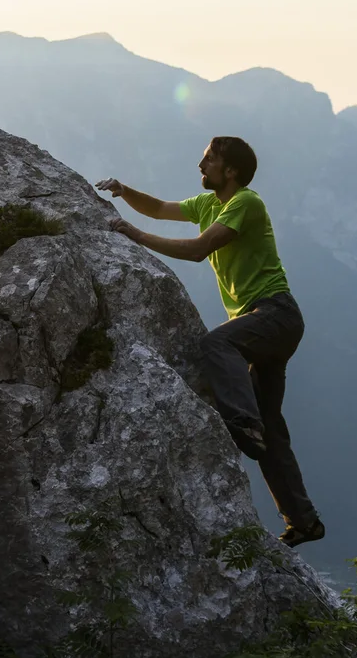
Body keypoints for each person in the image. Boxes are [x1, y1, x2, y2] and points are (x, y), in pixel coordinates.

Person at [96, 136, 324, 547]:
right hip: (264, 322)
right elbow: (161, 208)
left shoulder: (245, 203)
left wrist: (135, 236)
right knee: (273, 429)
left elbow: (201, 249)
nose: (200, 167)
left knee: (218, 345)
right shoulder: (207, 205)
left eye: (208, 161)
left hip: (275, 315)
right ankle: (303, 521)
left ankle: (243, 422)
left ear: (230, 170)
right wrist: (125, 192)